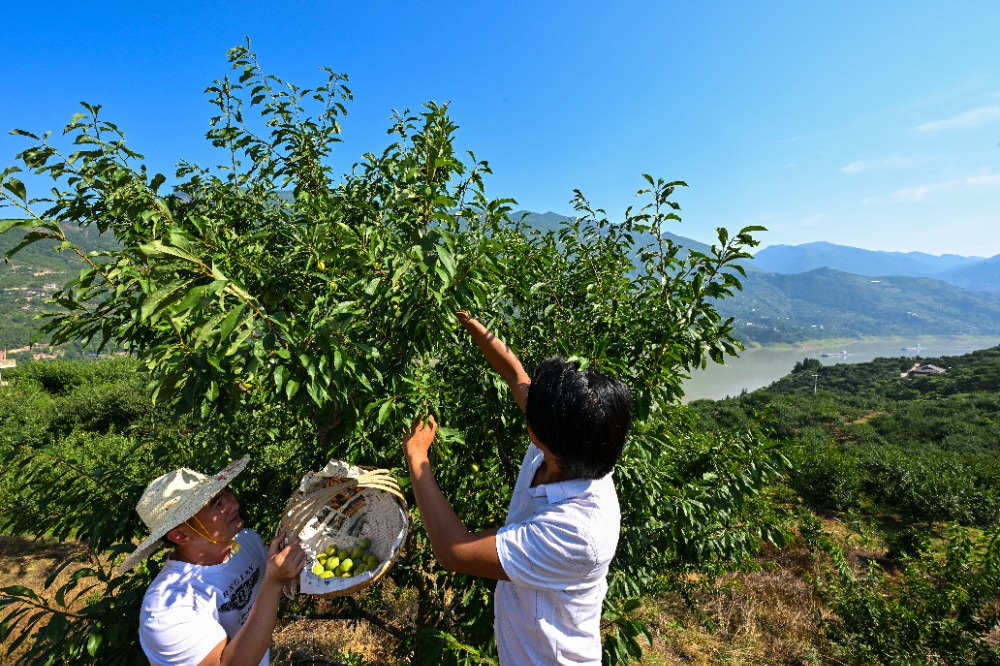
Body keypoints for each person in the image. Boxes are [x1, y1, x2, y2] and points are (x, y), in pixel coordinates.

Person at [402, 311, 633, 665]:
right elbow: (515, 374)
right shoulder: (575, 445)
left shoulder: (579, 533)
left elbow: (452, 552)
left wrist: (418, 456)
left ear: (553, 440)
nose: (530, 403)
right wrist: (473, 325)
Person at [117, 455, 306, 666]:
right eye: (216, 503)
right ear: (180, 535)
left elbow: (274, 590)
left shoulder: (245, 541)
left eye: (226, 494)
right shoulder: (165, 609)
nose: (234, 504)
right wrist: (274, 582)